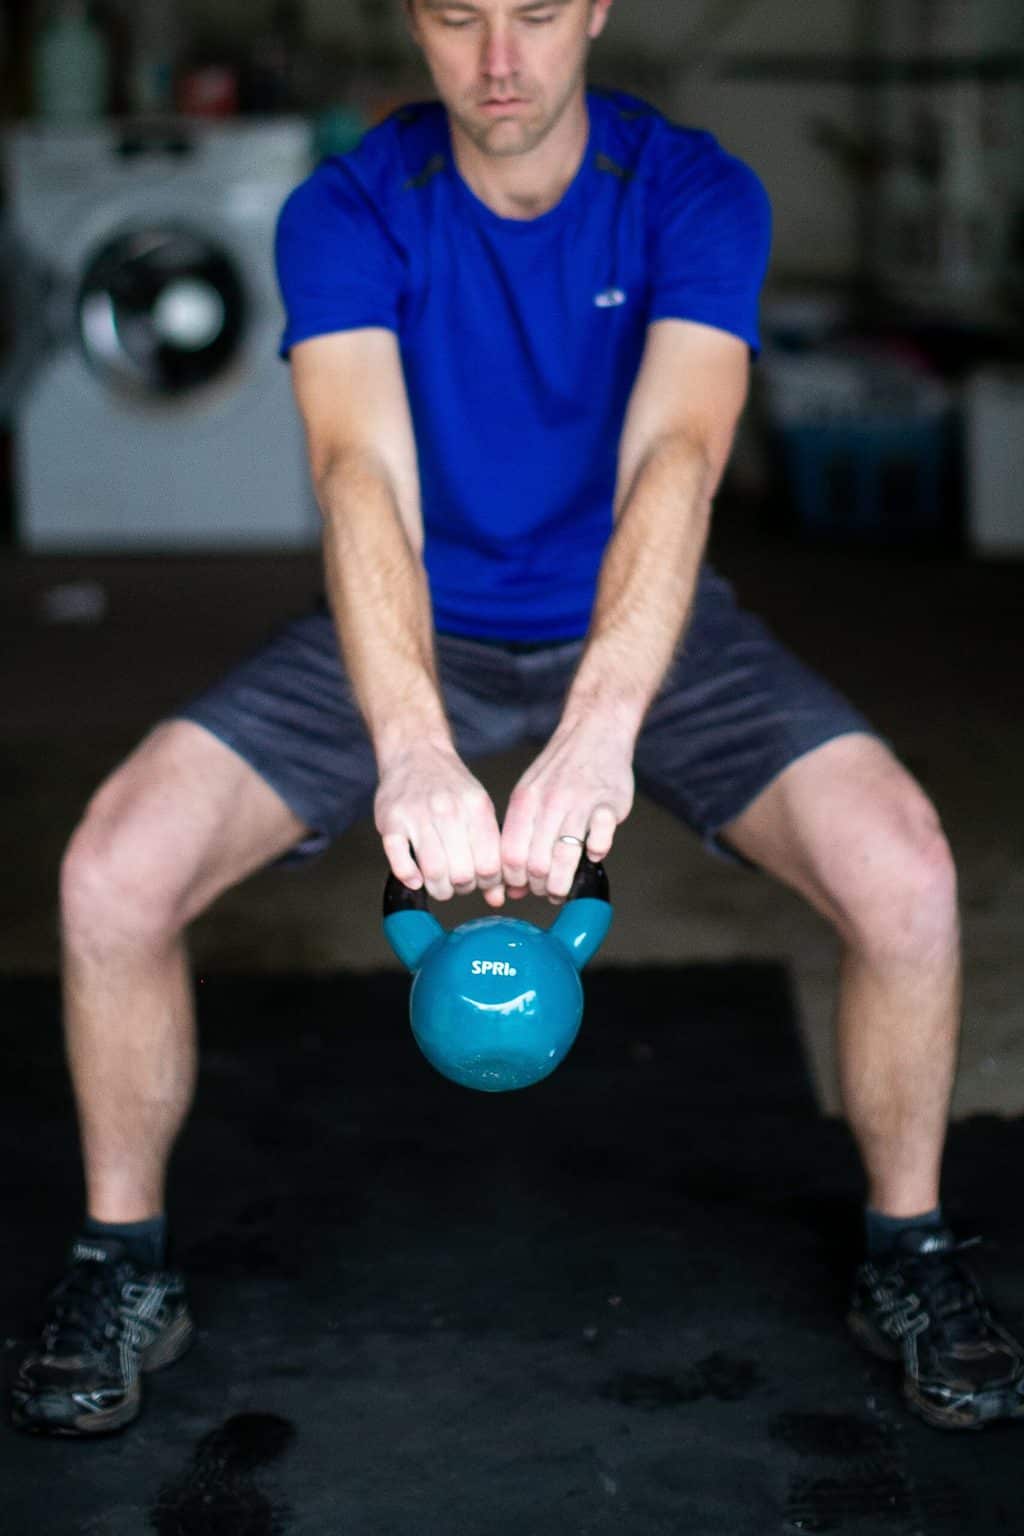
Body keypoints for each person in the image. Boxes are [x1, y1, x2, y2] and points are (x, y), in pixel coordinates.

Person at [11, 0, 1023, 1439]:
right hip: (411, 620)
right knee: (111, 873)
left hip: (644, 621)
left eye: (537, 12)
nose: (500, 59)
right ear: (412, 20)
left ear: (596, 8)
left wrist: (608, 716)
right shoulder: (349, 207)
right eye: (457, 14)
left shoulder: (694, 194)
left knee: (909, 873)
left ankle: (911, 1251)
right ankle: (122, 1265)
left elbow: (680, 455)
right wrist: (412, 742)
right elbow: (358, 474)